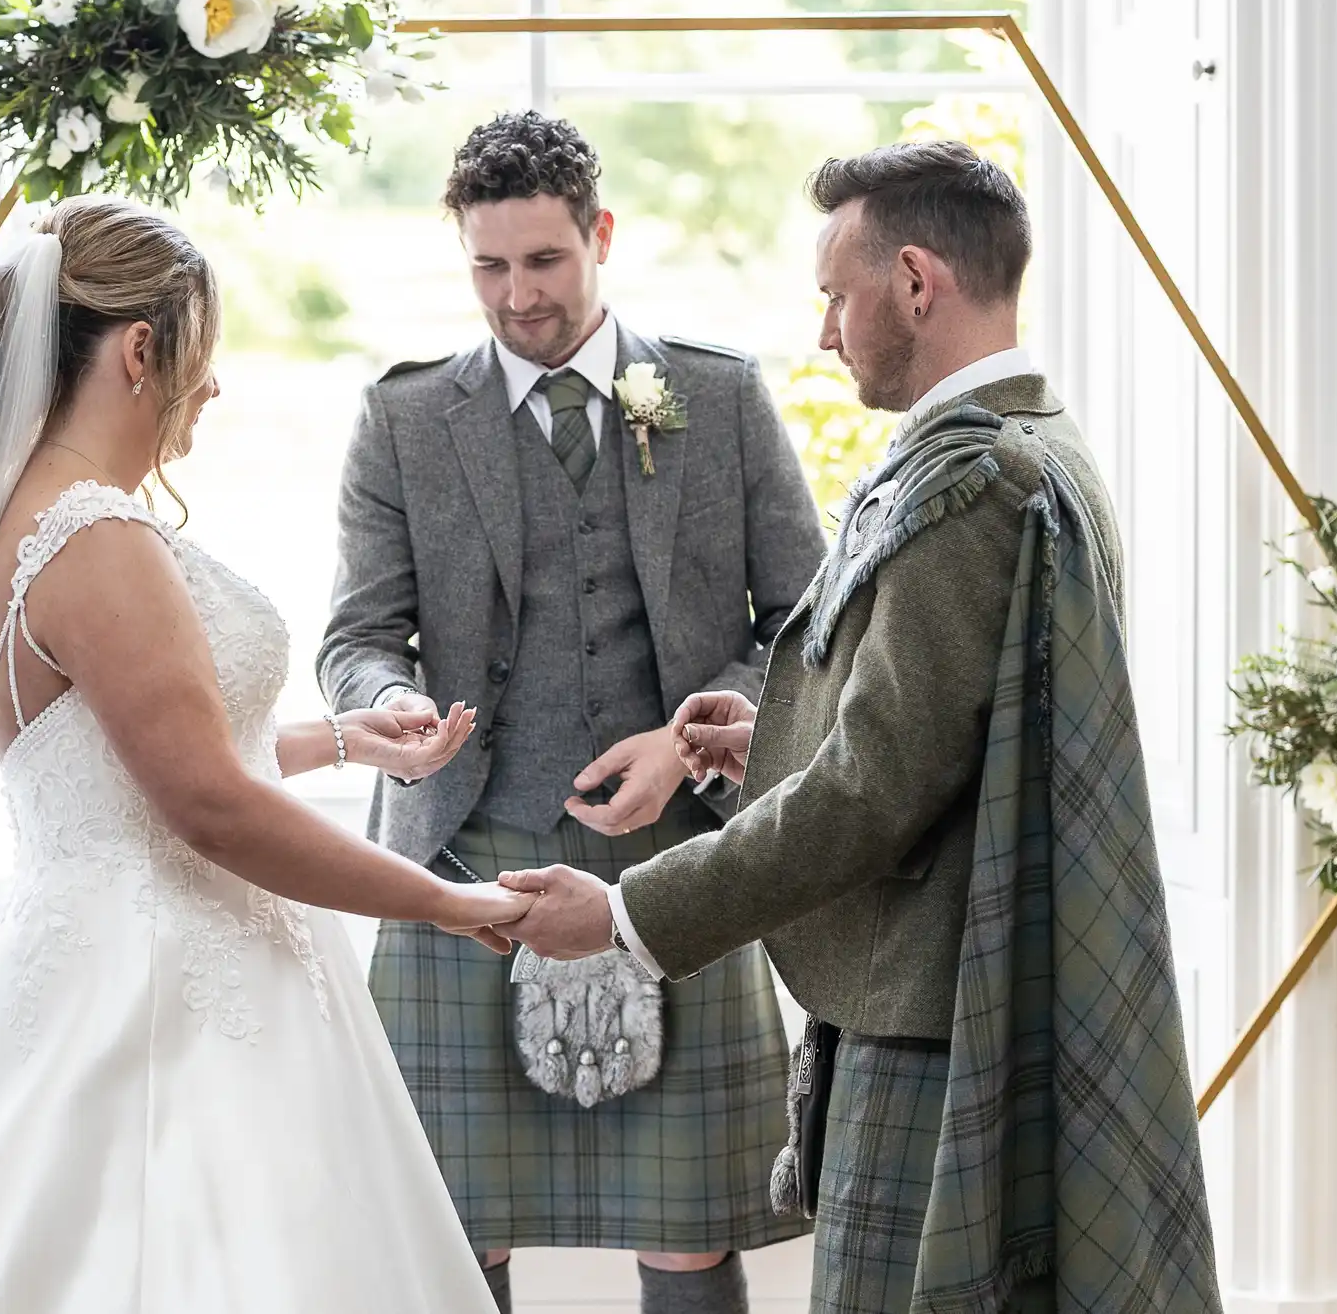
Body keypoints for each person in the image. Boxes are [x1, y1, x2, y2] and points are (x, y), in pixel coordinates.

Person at [0, 197, 531, 1313]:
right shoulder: (94, 535)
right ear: (141, 350)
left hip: (106, 954)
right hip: (166, 995)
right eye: (206, 353)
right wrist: (439, 898)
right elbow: (204, 805)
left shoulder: (23, 516)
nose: (216, 386)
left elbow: (106, 765)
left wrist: (334, 737)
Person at [501, 142, 1222, 1312]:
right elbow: (943, 738)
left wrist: (627, 912)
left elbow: (871, 791)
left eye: (836, 295)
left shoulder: (971, 481)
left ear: (916, 282)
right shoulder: (1035, 443)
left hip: (928, 1019)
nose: (825, 332)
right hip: (937, 989)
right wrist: (771, 735)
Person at [320, 111, 825, 1314]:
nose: (514, 296)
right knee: (459, 1224)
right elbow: (355, 638)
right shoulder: (403, 419)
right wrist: (388, 704)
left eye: (542, 261)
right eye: (487, 265)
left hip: (683, 857)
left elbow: (806, 629)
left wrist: (692, 736)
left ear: (600, 235)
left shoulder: (718, 395)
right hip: (461, 857)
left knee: (693, 1230)